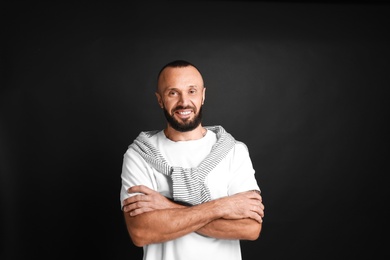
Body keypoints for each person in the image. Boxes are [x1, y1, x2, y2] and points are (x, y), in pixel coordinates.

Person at [120, 60, 265, 260]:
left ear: (203, 95)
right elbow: (141, 232)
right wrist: (222, 207)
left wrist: (167, 207)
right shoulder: (140, 155)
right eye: (173, 92)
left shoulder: (234, 151)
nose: (184, 102)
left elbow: (250, 228)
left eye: (191, 91)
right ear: (160, 99)